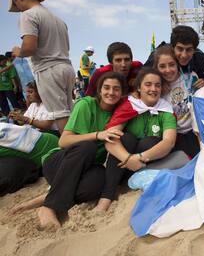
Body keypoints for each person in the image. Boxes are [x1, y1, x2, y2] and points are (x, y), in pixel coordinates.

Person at [11, 72, 127, 227]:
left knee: (100, 179)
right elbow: (64, 141)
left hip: (84, 169)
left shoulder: (119, 114)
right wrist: (99, 135)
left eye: (116, 89)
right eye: (106, 88)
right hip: (59, 163)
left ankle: (47, 197)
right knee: (88, 146)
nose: (111, 92)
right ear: (99, 90)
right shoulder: (86, 104)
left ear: (122, 93)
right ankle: (49, 207)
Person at [95, 68, 179, 212]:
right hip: (121, 165)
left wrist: (139, 158)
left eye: (157, 85)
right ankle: (106, 197)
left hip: (144, 165)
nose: (153, 89)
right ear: (139, 87)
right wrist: (128, 159)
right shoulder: (129, 105)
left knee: (151, 141)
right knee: (125, 138)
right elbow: (109, 137)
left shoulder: (166, 110)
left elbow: (169, 142)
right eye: (148, 84)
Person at [8, 0, 75, 134]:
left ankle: (72, 150)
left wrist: (19, 51)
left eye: (15, 3)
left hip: (48, 70)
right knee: (69, 112)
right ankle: (77, 146)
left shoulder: (28, 15)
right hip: (66, 67)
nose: (17, 8)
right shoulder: (58, 20)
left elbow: (30, 47)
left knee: (60, 114)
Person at [153, 45, 200, 158]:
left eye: (172, 65)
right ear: (156, 68)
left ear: (177, 63)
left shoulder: (191, 77)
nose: (168, 70)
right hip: (174, 135)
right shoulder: (157, 88)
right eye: (162, 66)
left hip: (194, 132)